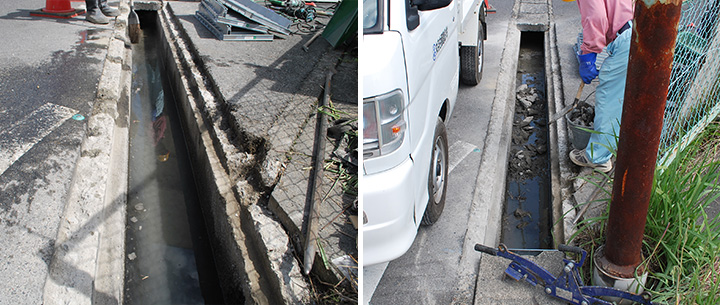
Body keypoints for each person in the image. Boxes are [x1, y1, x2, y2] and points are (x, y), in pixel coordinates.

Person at [567, 0, 634, 173]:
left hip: (626, 38)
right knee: (625, 94)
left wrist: (589, 51)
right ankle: (620, 141)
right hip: (636, 29)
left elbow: (596, 17)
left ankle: (598, 158)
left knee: (608, 98)